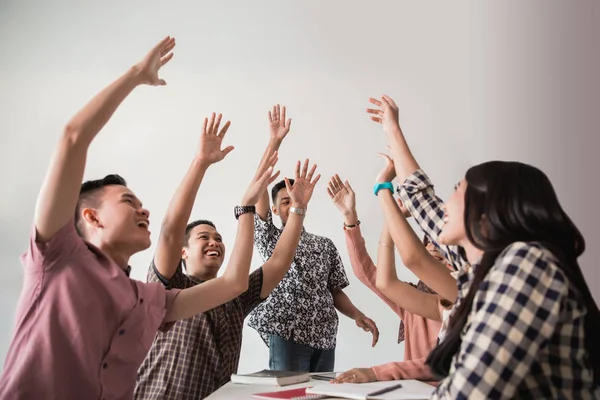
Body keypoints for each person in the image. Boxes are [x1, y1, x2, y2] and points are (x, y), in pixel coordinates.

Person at [0, 37, 274, 400]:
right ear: (91, 217)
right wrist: (136, 76)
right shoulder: (56, 256)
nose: (144, 209)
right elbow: (73, 138)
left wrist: (246, 208)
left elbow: (234, 283)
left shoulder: (144, 299)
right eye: (129, 201)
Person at [368, 94, 600, 398]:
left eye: (457, 190)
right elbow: (421, 198)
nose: (445, 202)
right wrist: (392, 129)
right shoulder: (482, 269)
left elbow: (469, 393)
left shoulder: (525, 263)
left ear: (488, 214)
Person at [135, 111, 321, 400]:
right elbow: (170, 231)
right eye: (204, 237)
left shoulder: (235, 295)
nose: (215, 242)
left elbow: (278, 262)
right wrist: (200, 163)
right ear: (183, 252)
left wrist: (297, 209)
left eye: (219, 238)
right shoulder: (168, 286)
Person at [247, 105, 379, 373]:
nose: (291, 204)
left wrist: (358, 315)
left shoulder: (324, 245)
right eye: (285, 201)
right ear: (274, 209)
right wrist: (274, 141)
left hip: (324, 337)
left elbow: (334, 290)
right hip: (286, 333)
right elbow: (258, 184)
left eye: (295, 199)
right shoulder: (269, 236)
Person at [326, 167, 453, 385]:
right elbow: (367, 272)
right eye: (430, 243)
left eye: (444, 246)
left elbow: (441, 363)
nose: (435, 248)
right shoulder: (412, 299)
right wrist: (350, 218)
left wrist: (378, 372)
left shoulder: (465, 298)